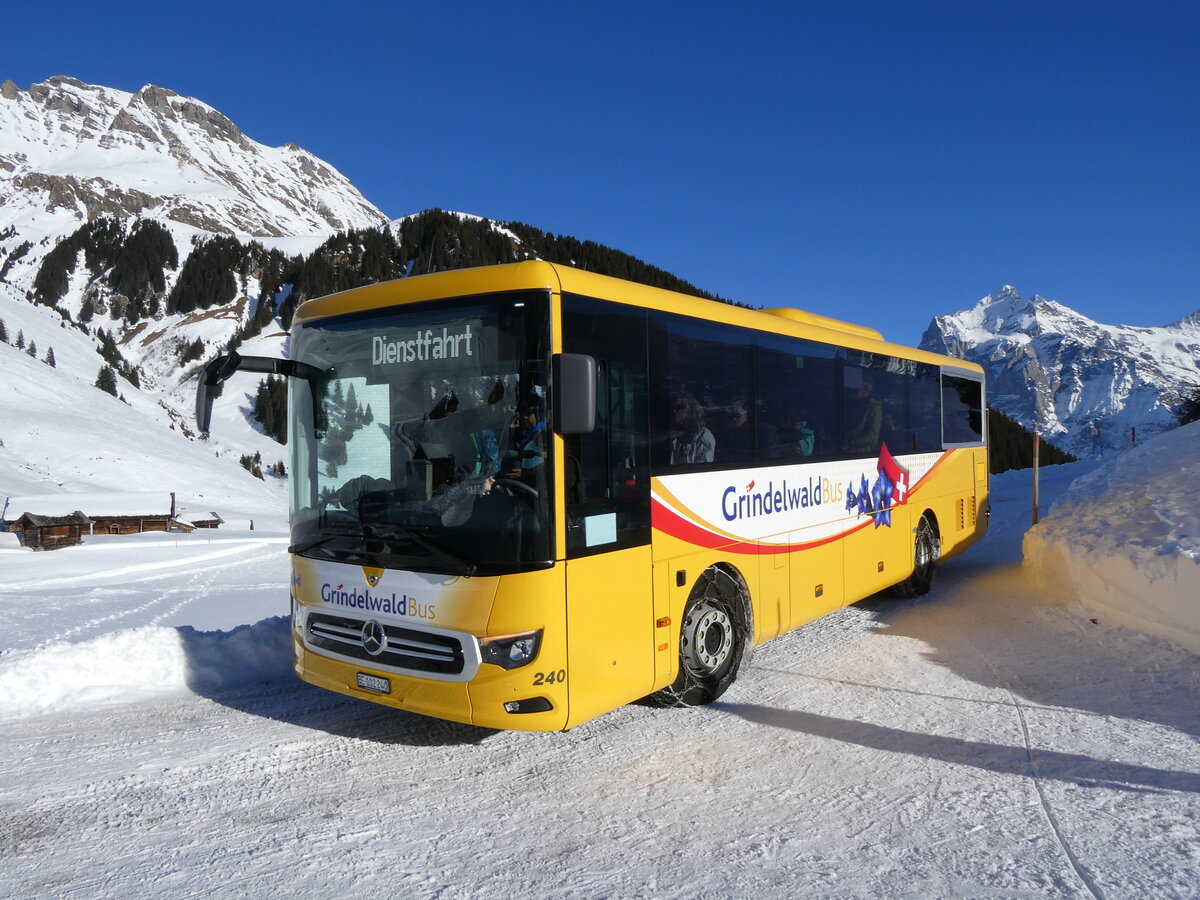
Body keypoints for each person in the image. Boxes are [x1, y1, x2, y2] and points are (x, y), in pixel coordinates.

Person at [669, 393, 716, 464]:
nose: (674, 411)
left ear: (690, 410)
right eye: (673, 407)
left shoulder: (704, 436)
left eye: (679, 407)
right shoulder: (675, 435)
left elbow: (702, 469)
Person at [846, 378, 882, 454]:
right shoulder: (852, 403)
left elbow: (872, 435)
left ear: (866, 388)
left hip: (861, 453)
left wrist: (851, 443)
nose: (853, 388)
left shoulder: (874, 407)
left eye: (856, 386)